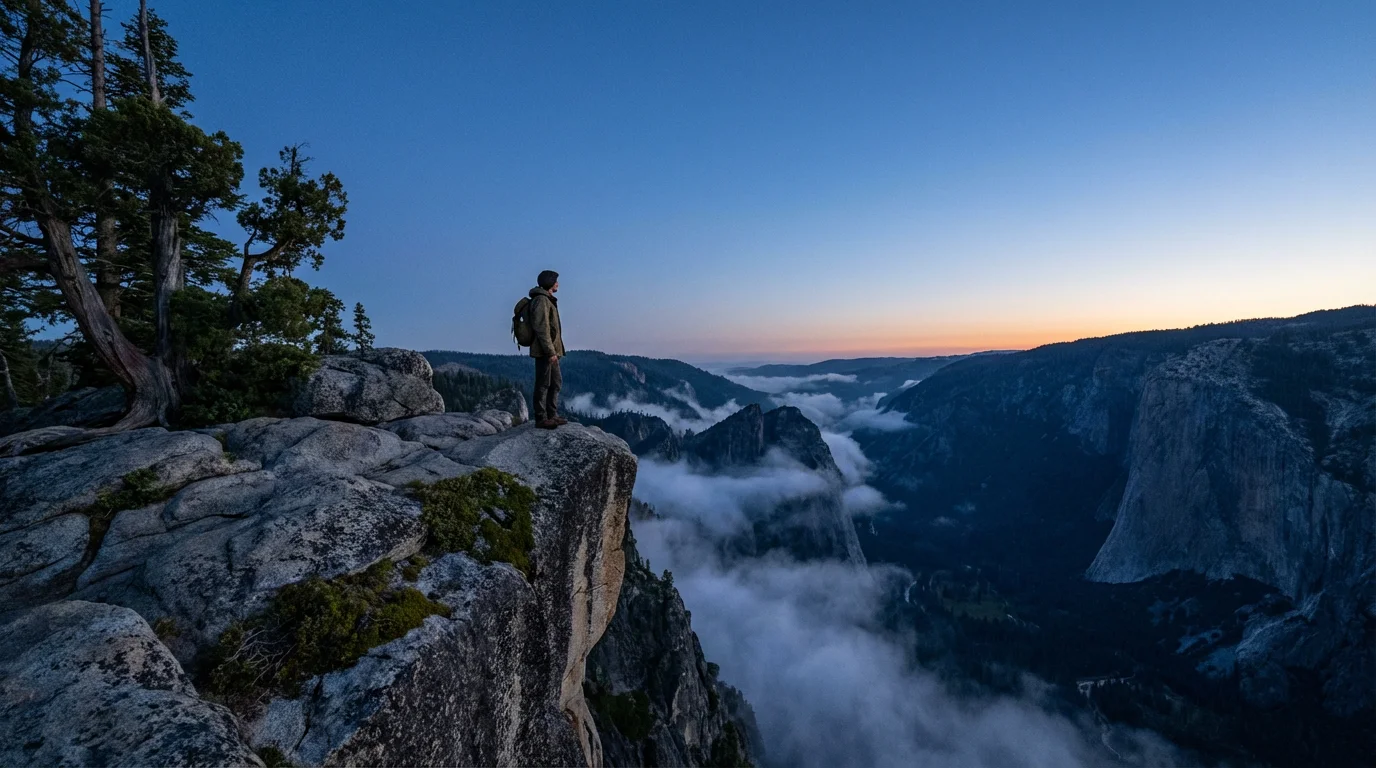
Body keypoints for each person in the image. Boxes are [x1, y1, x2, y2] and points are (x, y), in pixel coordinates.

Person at [528, 270, 566, 429]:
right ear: (549, 282)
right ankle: (541, 418)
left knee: (556, 383)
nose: (558, 283)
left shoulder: (548, 300)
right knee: (543, 384)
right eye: (555, 280)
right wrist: (550, 352)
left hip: (552, 351)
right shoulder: (541, 300)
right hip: (545, 352)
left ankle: (552, 414)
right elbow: (541, 328)